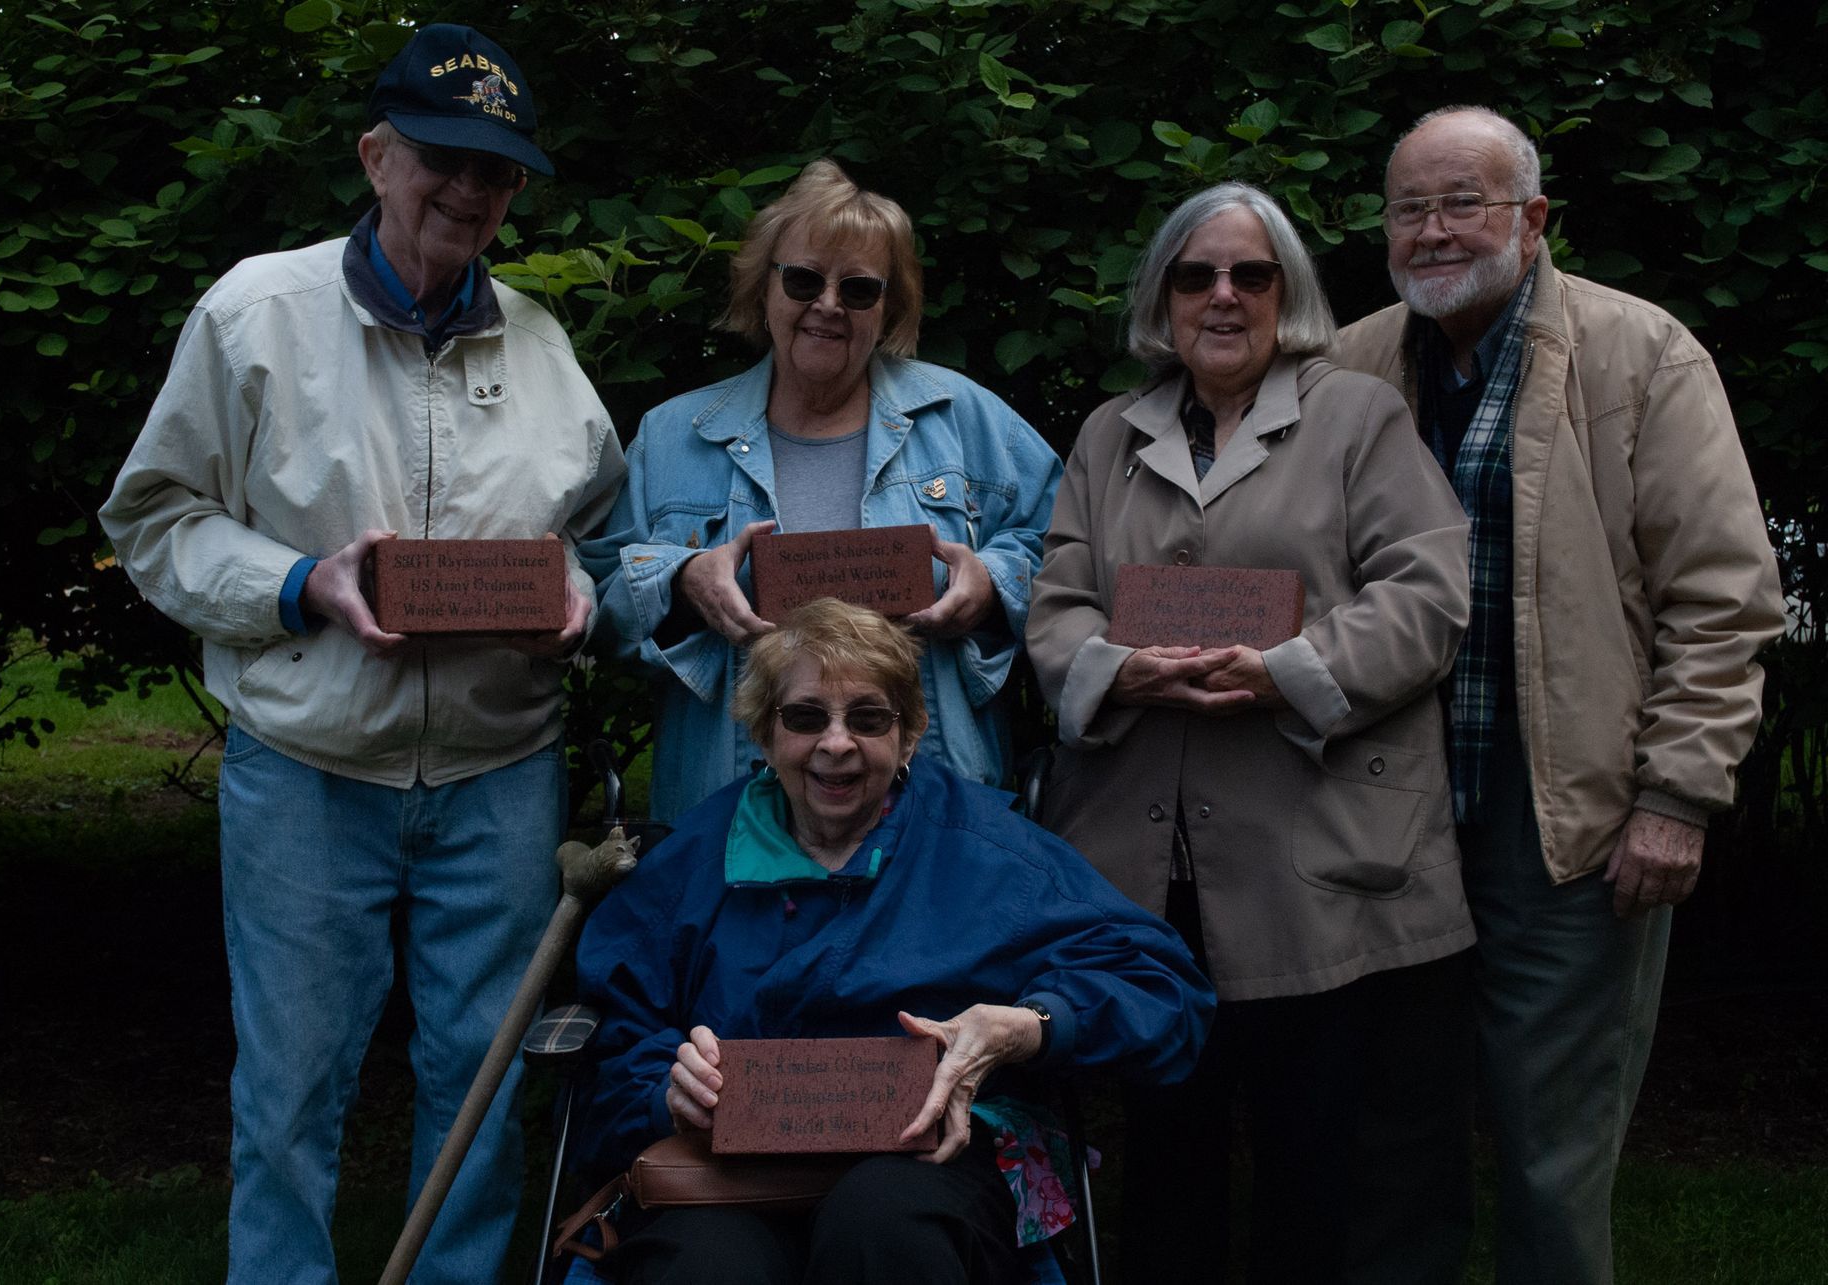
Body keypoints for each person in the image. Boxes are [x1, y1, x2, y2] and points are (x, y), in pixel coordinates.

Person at [98, 25, 625, 1282]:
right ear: (377, 156)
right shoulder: (255, 315)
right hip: (309, 765)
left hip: (499, 771)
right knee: (290, 1084)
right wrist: (300, 585)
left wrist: (579, 604)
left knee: (483, 1078)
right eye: (442, 158)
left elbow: (600, 540)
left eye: (495, 172)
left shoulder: (542, 345)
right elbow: (155, 518)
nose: (468, 190)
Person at [1332, 106, 1784, 1283]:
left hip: (1565, 825)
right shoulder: (1347, 365)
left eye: (1463, 203)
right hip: (1386, 821)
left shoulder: (1643, 355)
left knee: (1554, 1156)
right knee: (1393, 1147)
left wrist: (1677, 794)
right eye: (1410, 209)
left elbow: (1724, 597)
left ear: (1532, 220)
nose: (1434, 231)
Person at [1026, 182, 1476, 1284]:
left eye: (1251, 275)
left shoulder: (1358, 417)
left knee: (1310, 1160)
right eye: (1196, 275)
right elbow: (1057, 606)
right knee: (1165, 1151)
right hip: (1145, 862)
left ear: (1289, 294)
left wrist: (1288, 674)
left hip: (1311, 855)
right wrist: (1121, 668)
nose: (1222, 296)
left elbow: (1427, 595)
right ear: (1163, 298)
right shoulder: (1108, 434)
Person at [573, 597, 1213, 1285]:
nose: (837, 743)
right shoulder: (690, 863)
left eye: (868, 718)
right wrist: (666, 1091)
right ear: (764, 732)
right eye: (806, 717)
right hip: (721, 1167)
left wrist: (1028, 1025)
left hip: (932, 1159)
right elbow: (615, 1037)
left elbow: (1163, 985)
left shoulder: (987, 853)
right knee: (711, 1268)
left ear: (909, 735)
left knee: (882, 1225)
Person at [579, 160, 1062, 823]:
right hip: (728, 804)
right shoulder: (672, 437)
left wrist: (993, 583)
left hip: (933, 804)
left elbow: (1069, 556)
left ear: (889, 306)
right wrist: (684, 580)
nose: (828, 305)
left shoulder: (967, 420)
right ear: (764, 288)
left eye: (858, 289)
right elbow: (596, 598)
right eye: (804, 280)